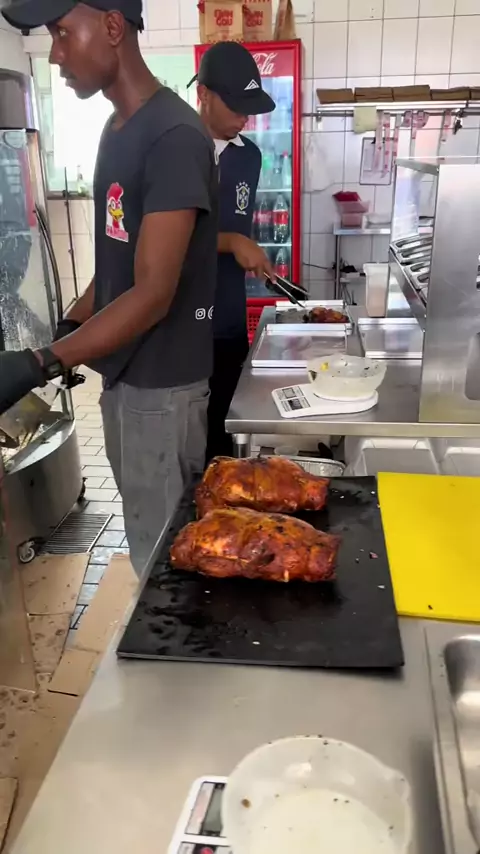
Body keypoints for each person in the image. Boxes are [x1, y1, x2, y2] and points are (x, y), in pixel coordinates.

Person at [0, 0, 219, 578]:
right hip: (125, 382)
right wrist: (73, 325)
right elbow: (117, 265)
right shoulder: (117, 129)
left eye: (63, 33)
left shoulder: (174, 136)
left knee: (166, 566)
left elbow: (152, 293)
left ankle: (170, 644)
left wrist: (43, 360)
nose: (56, 55)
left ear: (113, 27)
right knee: (147, 541)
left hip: (163, 390)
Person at [192, 42, 276, 462]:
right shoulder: (175, 151)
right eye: (237, 106)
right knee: (189, 447)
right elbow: (161, 241)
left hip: (228, 318)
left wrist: (247, 247)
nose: (246, 118)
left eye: (250, 108)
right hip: (182, 330)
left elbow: (237, 224)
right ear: (203, 94)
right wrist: (230, 242)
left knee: (227, 440)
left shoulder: (249, 157)